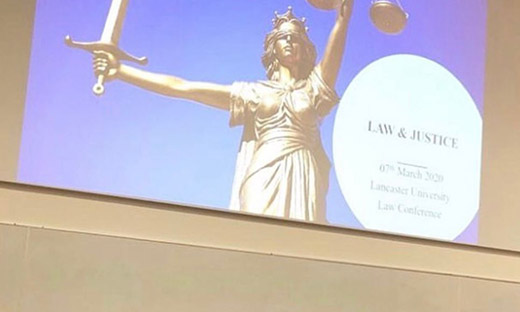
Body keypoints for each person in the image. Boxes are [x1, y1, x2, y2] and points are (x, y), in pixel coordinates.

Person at [92, 2, 355, 223]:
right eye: (283, 37)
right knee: (256, 240)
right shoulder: (253, 92)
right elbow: (183, 87)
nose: (289, 41)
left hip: (302, 173)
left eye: (295, 38)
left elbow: (340, 30)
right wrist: (121, 72)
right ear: (272, 48)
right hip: (262, 173)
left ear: (305, 49)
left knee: (302, 241)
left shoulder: (313, 89)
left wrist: (345, 8)